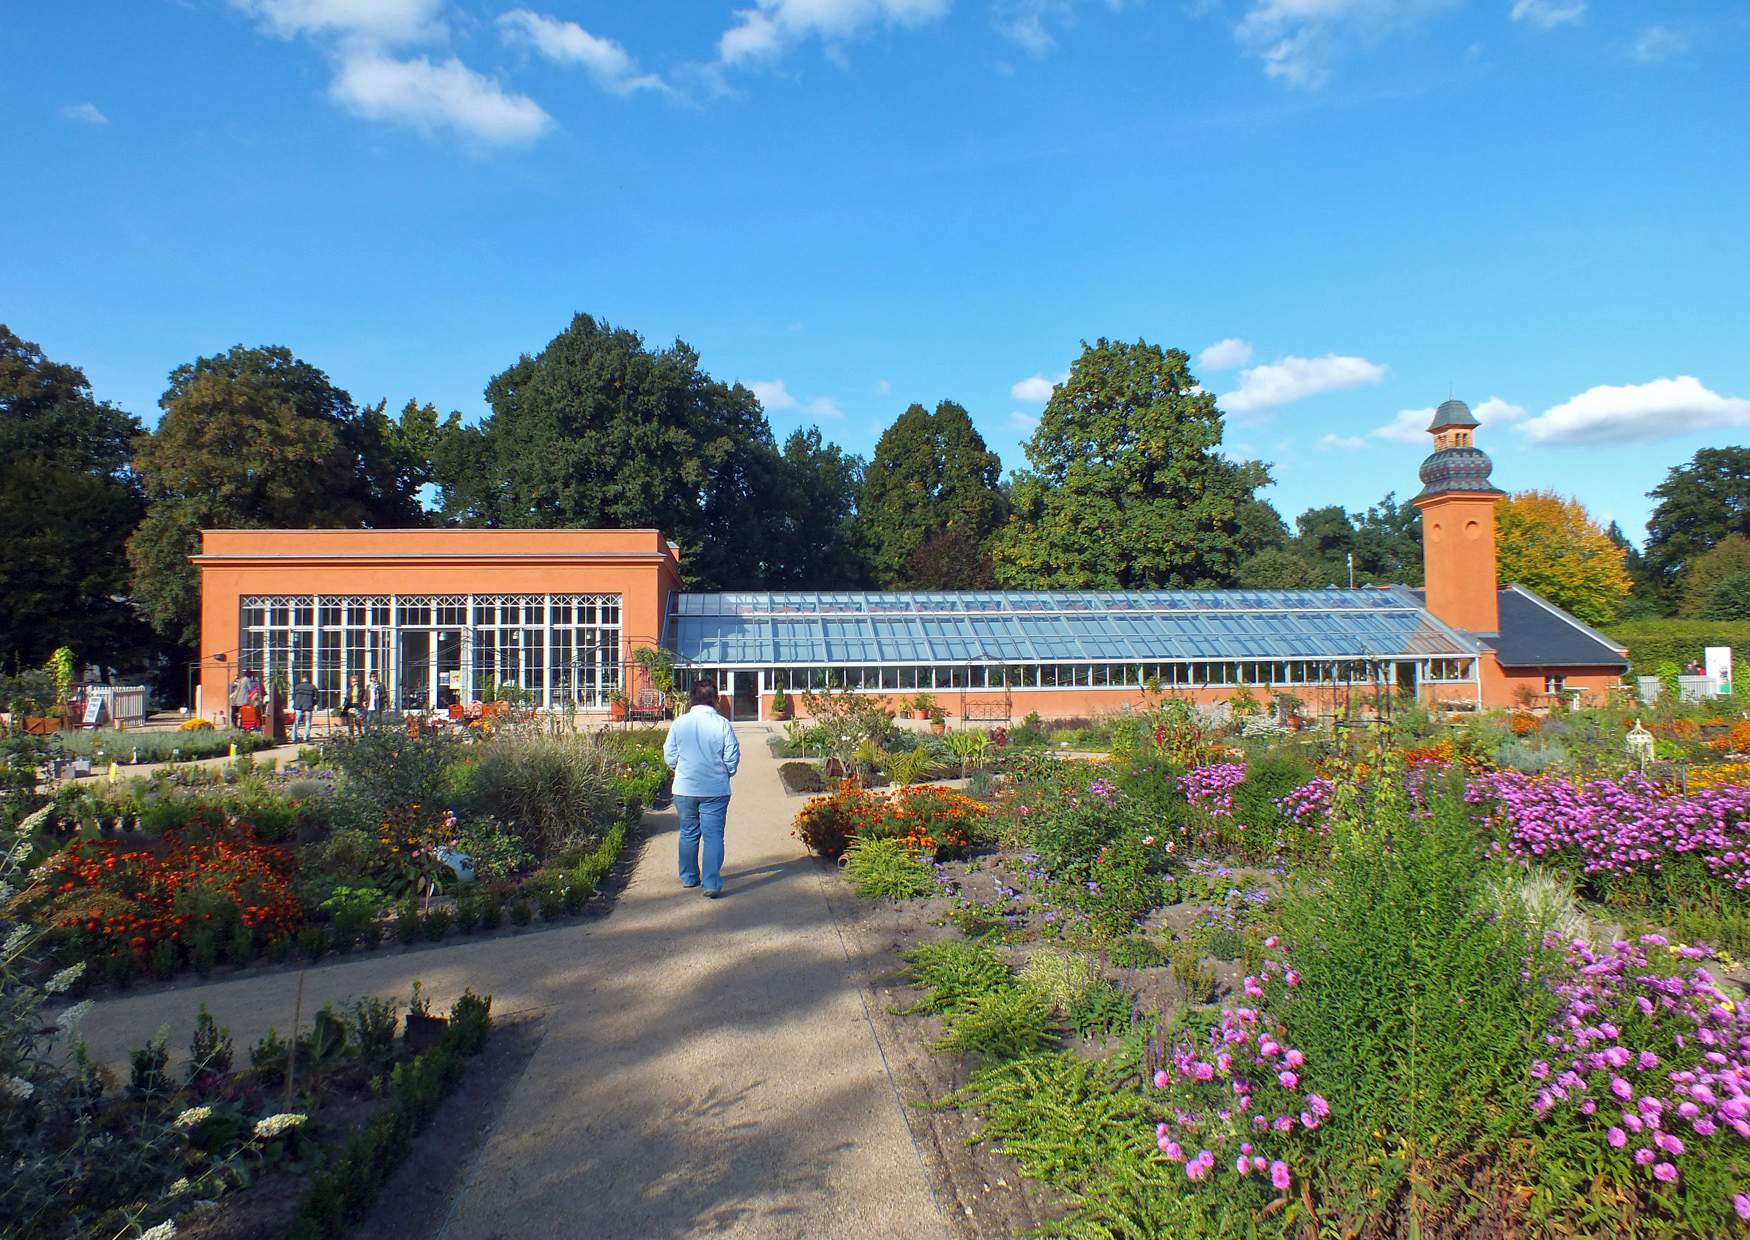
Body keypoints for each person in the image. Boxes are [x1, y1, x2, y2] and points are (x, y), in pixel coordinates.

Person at [663, 680, 741, 898]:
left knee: (688, 832)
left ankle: (689, 877)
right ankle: (711, 883)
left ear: (691, 699)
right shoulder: (722, 723)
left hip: (685, 787)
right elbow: (732, 755)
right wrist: (726, 773)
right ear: (715, 699)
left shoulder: (680, 723)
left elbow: (669, 753)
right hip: (715, 788)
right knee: (714, 836)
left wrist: (680, 769)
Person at [291, 672, 318, 743]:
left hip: (298, 706)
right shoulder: (312, 687)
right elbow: (317, 697)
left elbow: (293, 697)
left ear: (302, 679)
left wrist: (295, 704)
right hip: (308, 705)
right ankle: (306, 737)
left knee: (297, 721)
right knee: (308, 721)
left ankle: (293, 737)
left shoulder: (297, 687)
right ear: (308, 679)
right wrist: (314, 704)